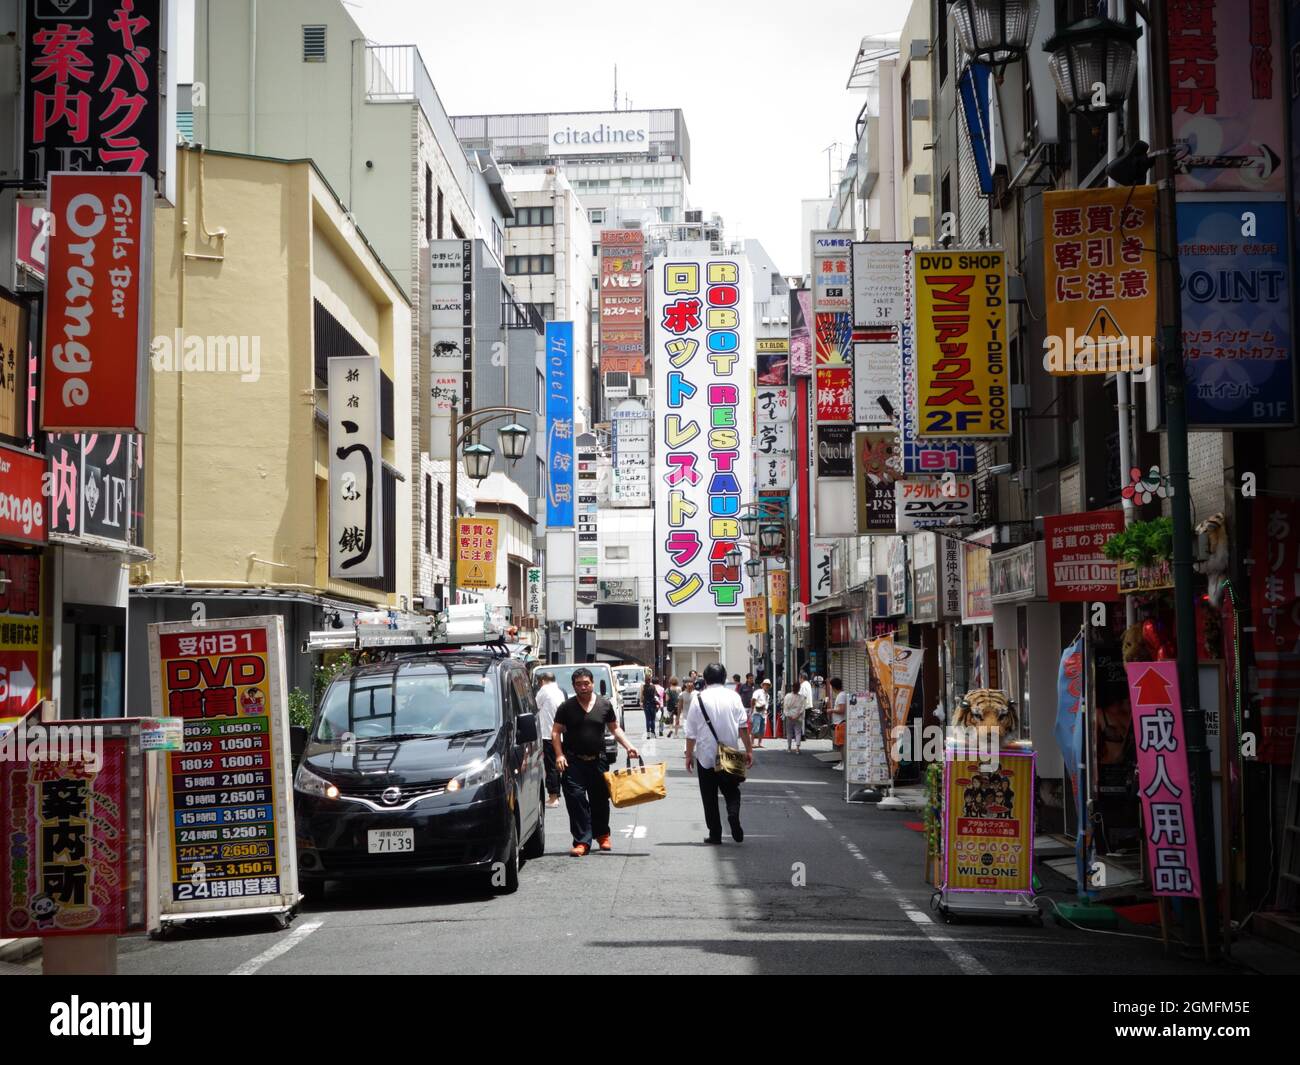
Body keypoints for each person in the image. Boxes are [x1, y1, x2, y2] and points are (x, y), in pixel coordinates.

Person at [553, 668, 639, 856]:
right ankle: (582, 841)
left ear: (592, 684)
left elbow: (615, 729)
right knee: (575, 800)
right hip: (573, 762)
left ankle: (602, 835)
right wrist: (559, 755)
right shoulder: (566, 707)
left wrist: (629, 746)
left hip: (598, 760)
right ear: (574, 686)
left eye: (586, 683)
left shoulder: (604, 705)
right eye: (579, 684)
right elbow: (556, 732)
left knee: (600, 800)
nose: (583, 687)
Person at [685, 663, 753, 844]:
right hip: (730, 753)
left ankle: (715, 833)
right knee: (732, 792)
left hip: (705, 756)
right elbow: (743, 727)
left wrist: (688, 755)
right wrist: (749, 750)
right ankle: (732, 815)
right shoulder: (734, 697)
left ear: (705, 679)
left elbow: (690, 732)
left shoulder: (698, 698)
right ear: (724, 678)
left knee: (709, 796)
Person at [534, 671, 565, 808]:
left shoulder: (544, 690)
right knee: (557, 766)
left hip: (548, 734)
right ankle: (555, 795)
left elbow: (534, 706)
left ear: (543, 681)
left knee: (551, 766)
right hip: (560, 734)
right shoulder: (560, 691)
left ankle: (553, 797)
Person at [830, 677, 848, 771]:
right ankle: (841, 763)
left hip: (841, 723)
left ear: (834, 687)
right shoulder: (842, 694)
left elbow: (841, 710)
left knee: (841, 745)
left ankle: (843, 764)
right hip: (840, 723)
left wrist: (831, 710)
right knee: (840, 745)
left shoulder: (841, 696)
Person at [783, 683, 805, 753]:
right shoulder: (802, 697)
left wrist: (788, 716)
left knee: (789, 732)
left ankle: (789, 748)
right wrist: (797, 716)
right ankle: (797, 748)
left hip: (789, 717)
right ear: (799, 688)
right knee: (798, 732)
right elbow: (802, 708)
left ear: (792, 688)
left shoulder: (787, 696)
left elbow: (785, 707)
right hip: (798, 717)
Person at [751, 679, 771, 748]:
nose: (767, 686)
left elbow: (767, 704)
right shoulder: (758, 692)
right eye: (766, 684)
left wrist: (765, 709)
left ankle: (759, 743)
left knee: (762, 730)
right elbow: (753, 700)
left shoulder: (767, 695)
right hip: (757, 712)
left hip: (763, 713)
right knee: (755, 728)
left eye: (768, 685)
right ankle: (752, 743)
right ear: (763, 685)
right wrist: (752, 708)